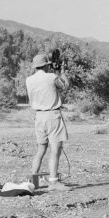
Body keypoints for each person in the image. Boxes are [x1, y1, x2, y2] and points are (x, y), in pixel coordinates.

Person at [26, 52, 70, 191]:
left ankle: (33, 181)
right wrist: (62, 72)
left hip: (38, 117)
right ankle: (53, 182)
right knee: (55, 150)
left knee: (40, 150)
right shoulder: (52, 77)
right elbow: (65, 86)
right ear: (46, 65)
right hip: (52, 116)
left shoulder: (29, 80)